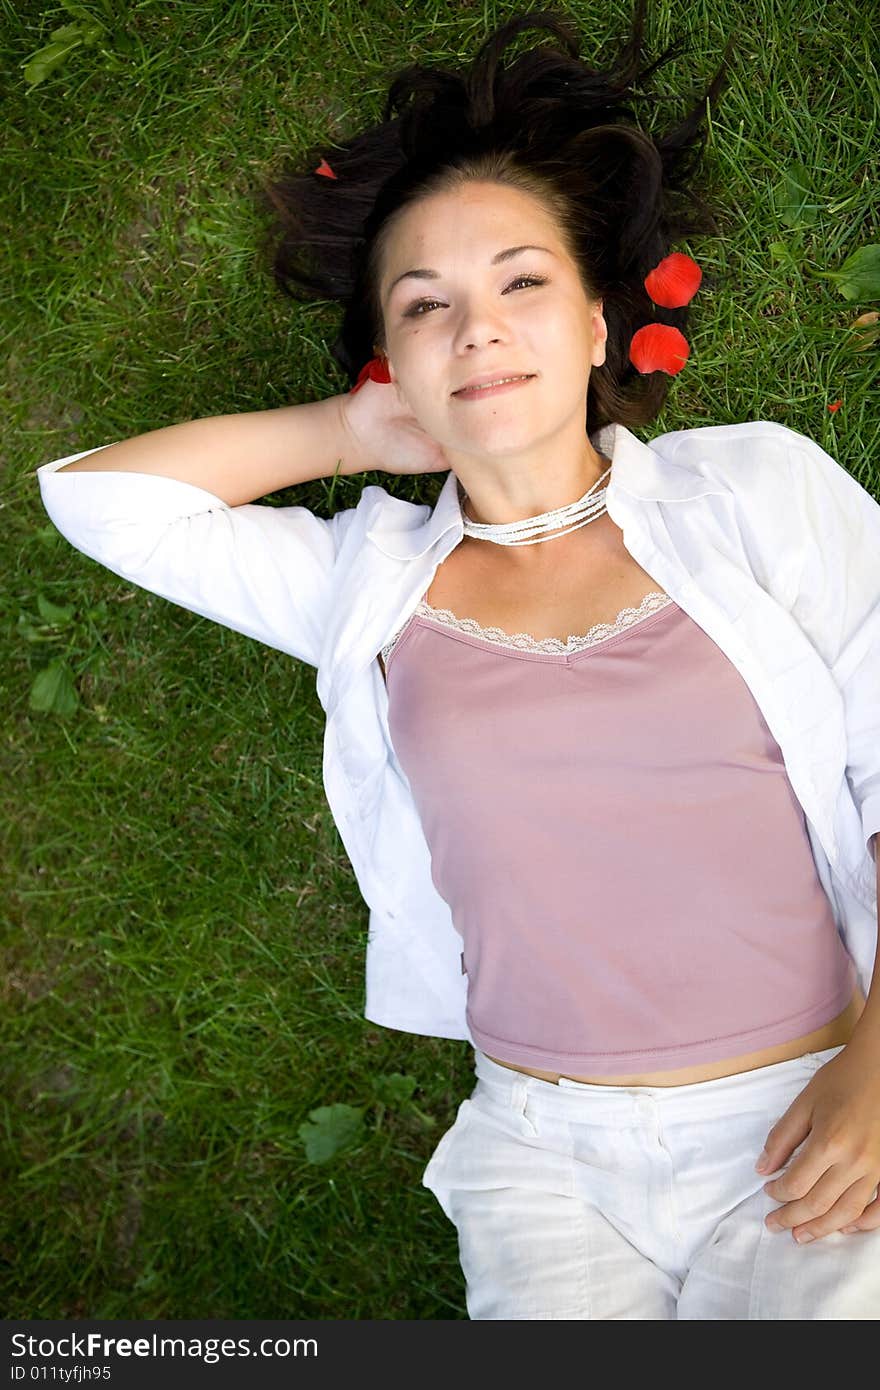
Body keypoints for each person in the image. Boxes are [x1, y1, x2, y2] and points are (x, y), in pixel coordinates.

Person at [35, 2, 880, 1319]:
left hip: (811, 1116)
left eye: (521, 282)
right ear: (397, 365)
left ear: (601, 325)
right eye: (426, 307)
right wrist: (345, 430)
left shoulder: (758, 495)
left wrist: (879, 1072)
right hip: (543, 1159)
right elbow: (100, 500)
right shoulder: (366, 586)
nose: (477, 328)